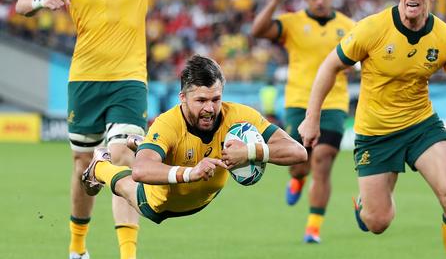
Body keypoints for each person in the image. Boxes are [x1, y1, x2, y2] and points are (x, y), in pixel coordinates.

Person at [14, 0, 210, 259]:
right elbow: (22, 2)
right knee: (83, 172)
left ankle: (127, 255)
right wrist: (44, 1)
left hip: (128, 82)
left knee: (122, 158)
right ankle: (77, 249)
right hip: (85, 81)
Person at [298, 0, 446, 258]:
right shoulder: (372, 29)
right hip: (376, 134)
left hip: (421, 126)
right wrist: (312, 117)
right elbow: (329, 66)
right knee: (378, 221)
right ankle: (364, 205)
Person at [80, 55, 307, 226]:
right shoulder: (168, 123)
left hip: (202, 197)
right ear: (183, 98)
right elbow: (139, 171)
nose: (210, 108)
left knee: (163, 151)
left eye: (216, 99)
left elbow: (299, 153)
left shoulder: (239, 115)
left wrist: (249, 151)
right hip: (157, 203)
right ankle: (99, 166)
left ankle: (145, 145)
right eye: (201, 100)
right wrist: (190, 173)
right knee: (127, 186)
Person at [251, 0, 355, 243]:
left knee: (323, 161)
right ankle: (297, 179)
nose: (320, 1)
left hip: (334, 104)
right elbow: (258, 31)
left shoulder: (349, 26)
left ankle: (313, 227)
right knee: (300, 162)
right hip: (299, 102)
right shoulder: (293, 23)